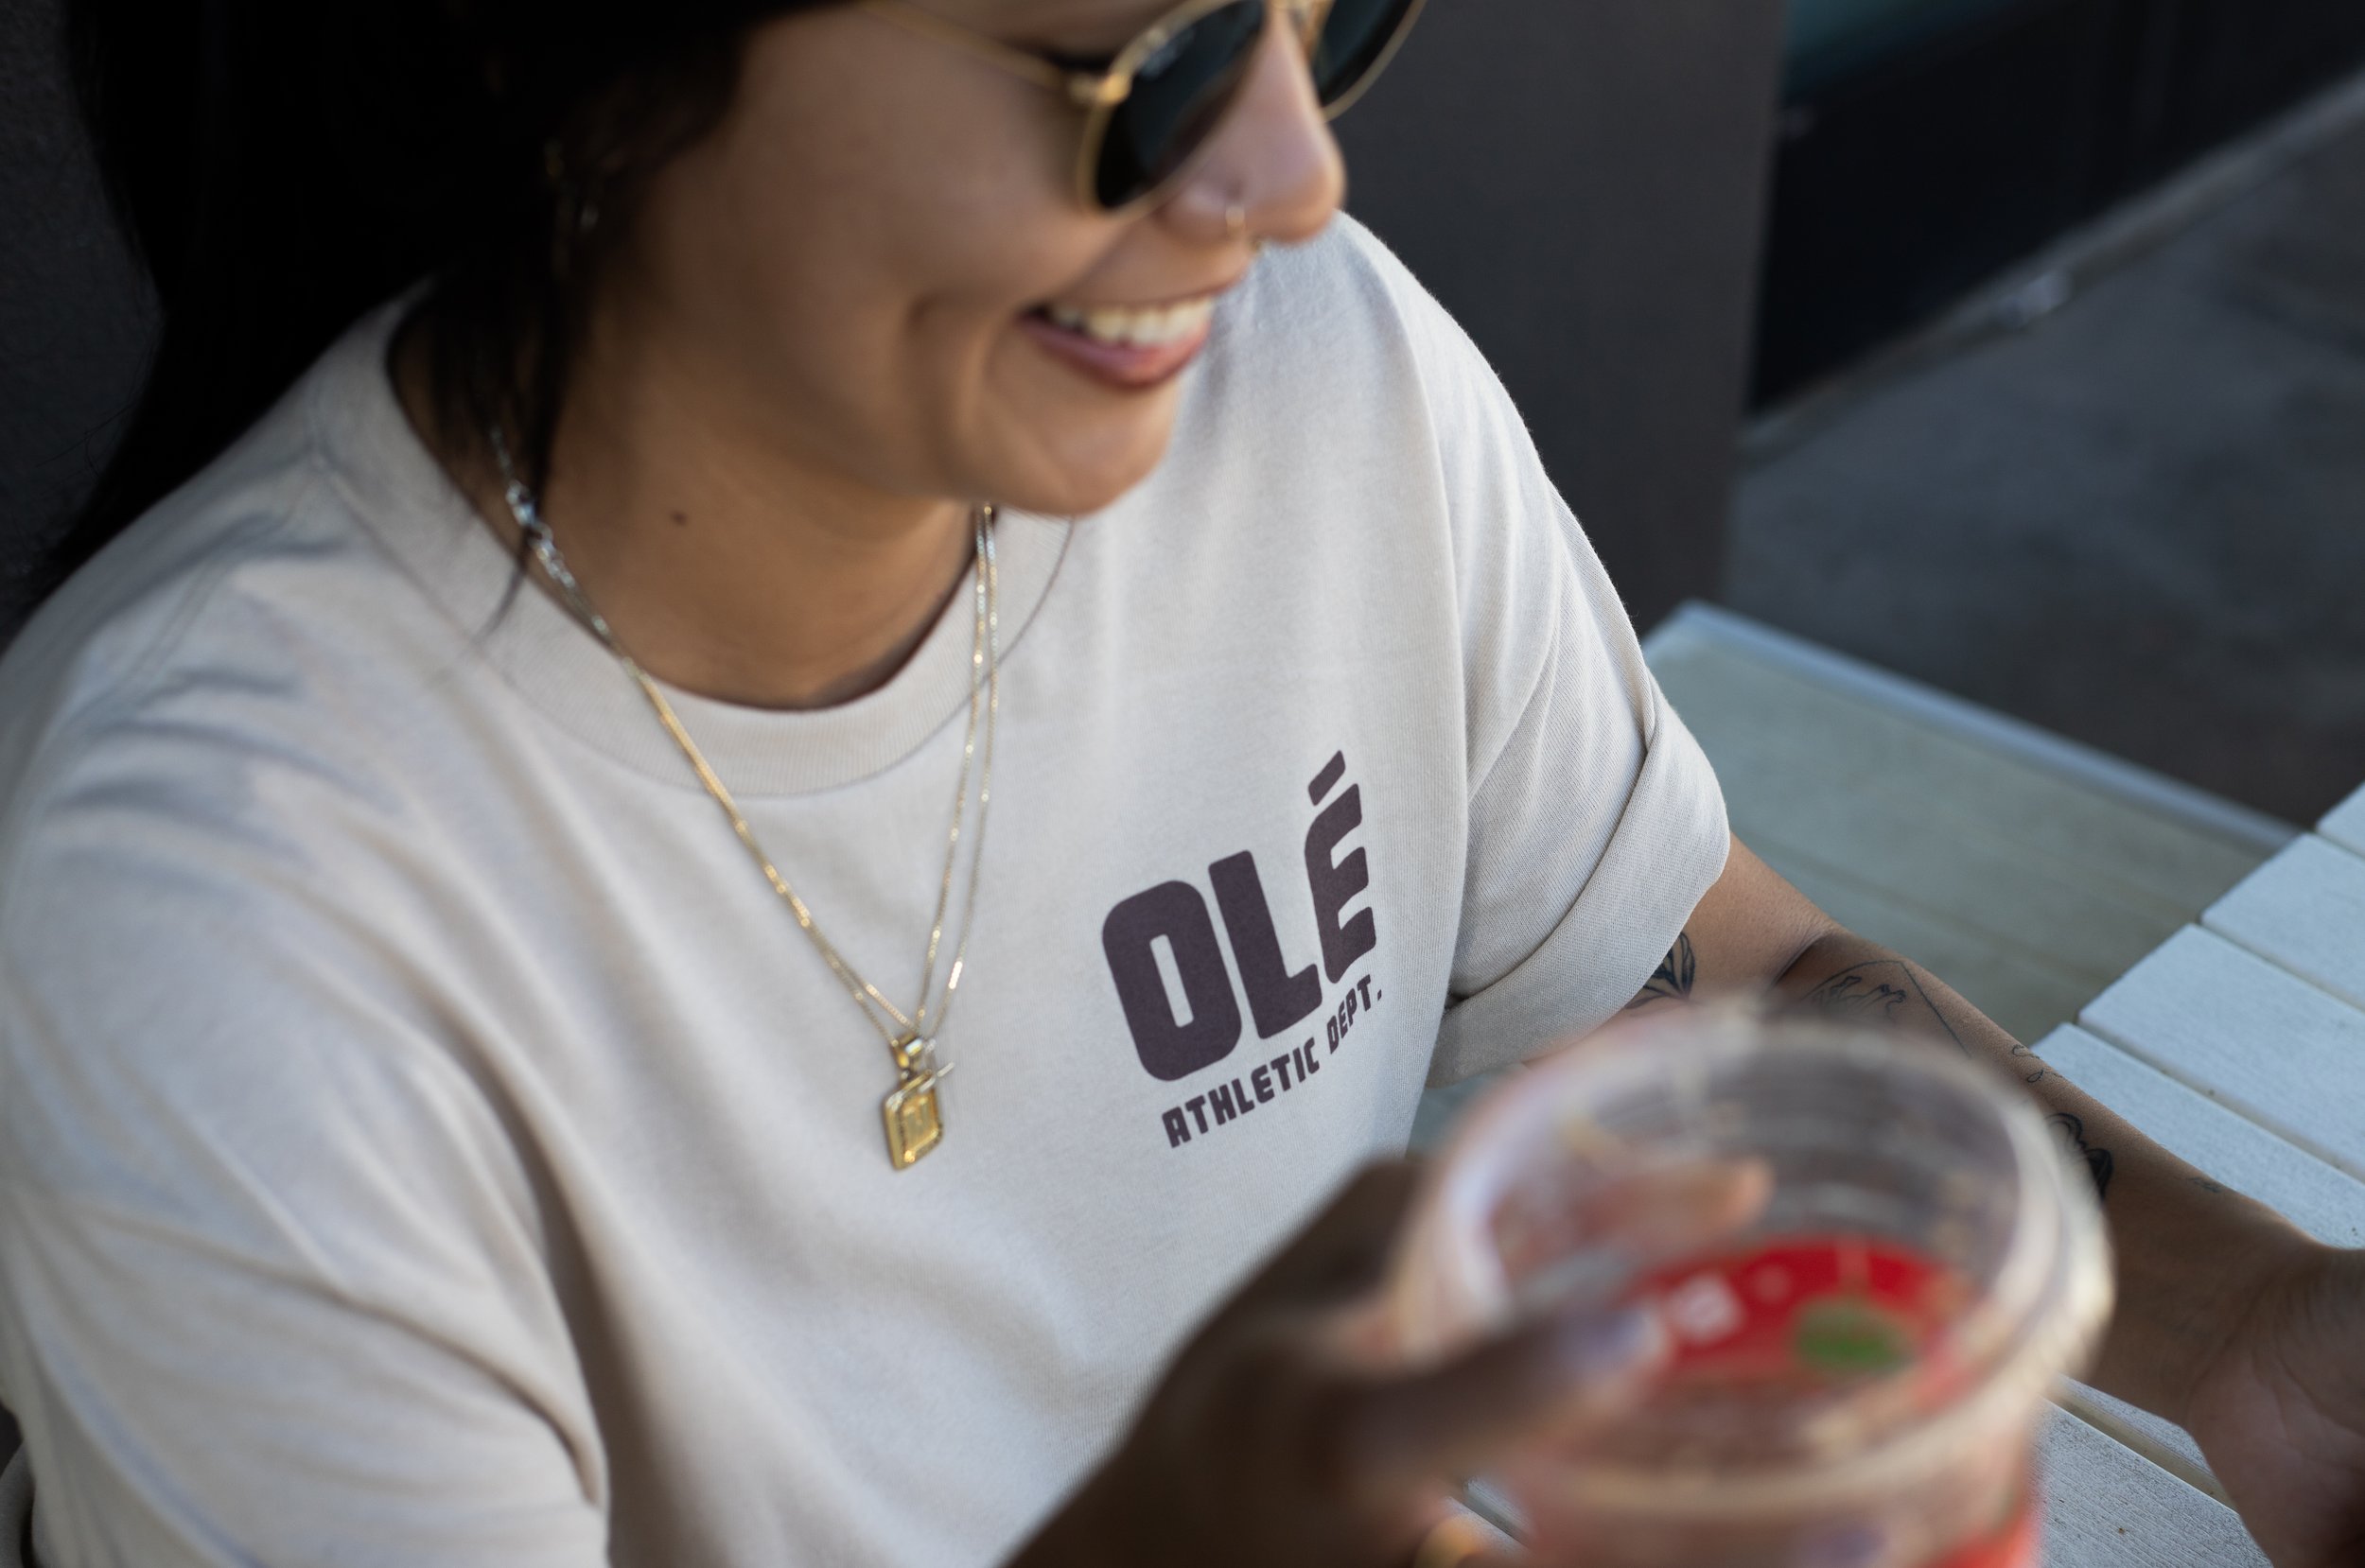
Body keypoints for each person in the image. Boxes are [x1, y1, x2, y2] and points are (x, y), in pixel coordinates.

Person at [1, 0, 2359, 1563]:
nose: (1285, 170)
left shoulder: (1307, 390)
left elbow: (1687, 996)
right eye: (1136, 58)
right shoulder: (212, 907)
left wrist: (2257, 1343)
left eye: (1317, 6)